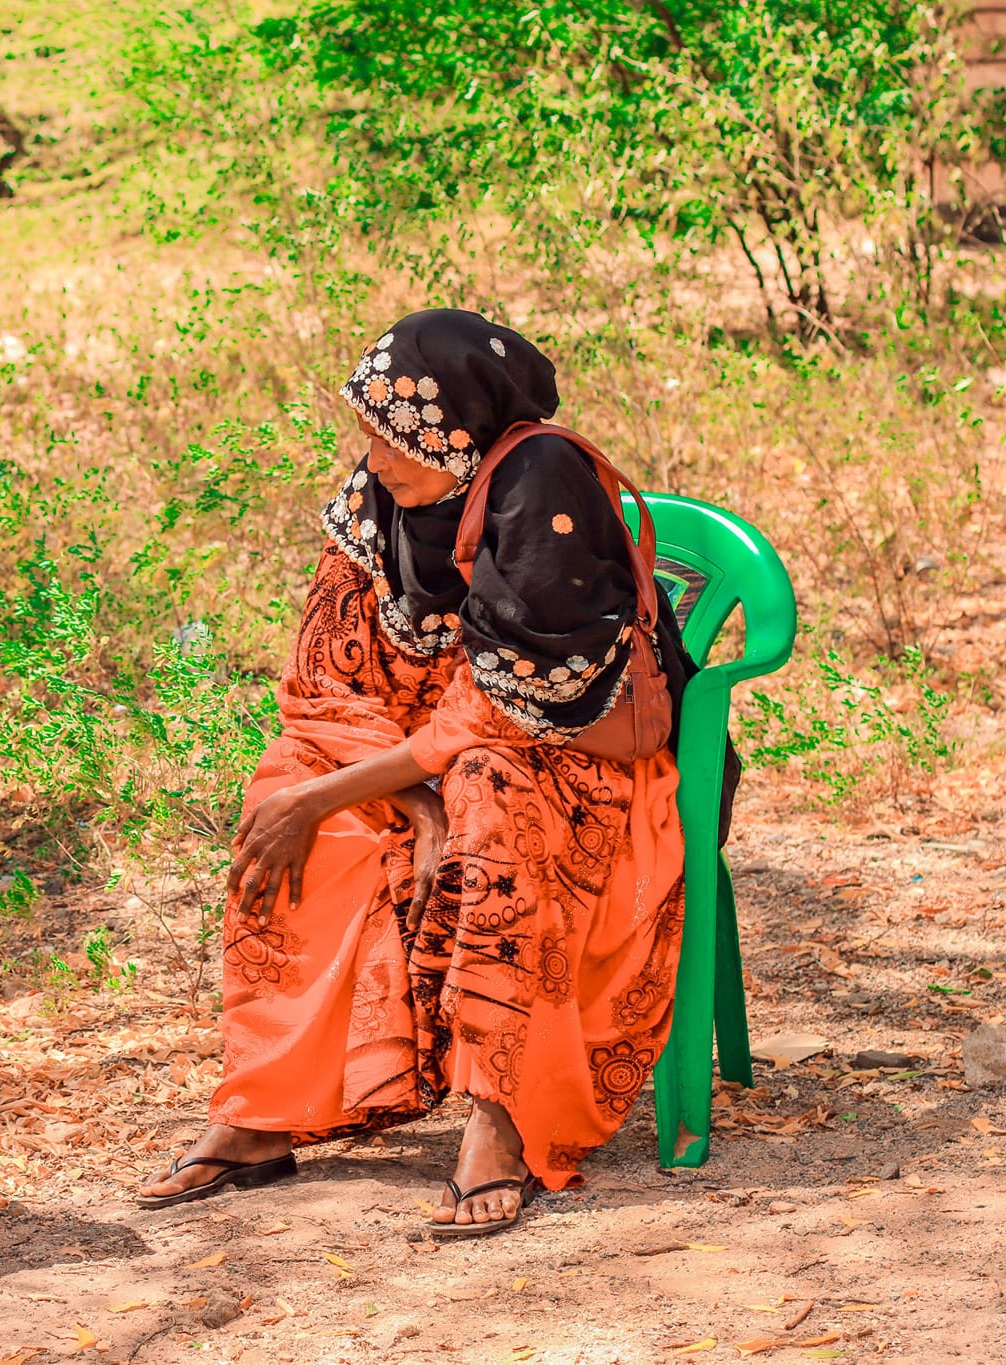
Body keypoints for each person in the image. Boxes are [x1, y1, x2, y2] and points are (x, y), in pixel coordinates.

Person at [138, 309, 691, 1237]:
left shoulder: (540, 486)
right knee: (287, 789)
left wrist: (382, 790)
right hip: (411, 753)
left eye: (401, 434)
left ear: (460, 430)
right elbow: (325, 673)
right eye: (372, 429)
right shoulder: (379, 496)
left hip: (565, 766)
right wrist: (396, 797)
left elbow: (512, 704)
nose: (377, 453)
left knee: (482, 797)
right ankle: (262, 1114)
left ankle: (501, 1117)